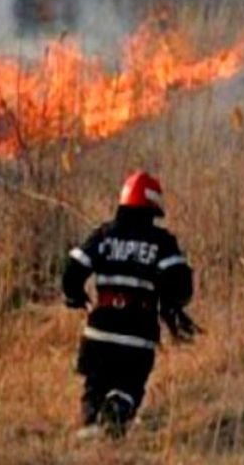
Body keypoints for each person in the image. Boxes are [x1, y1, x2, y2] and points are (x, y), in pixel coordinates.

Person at [62, 171, 199, 439]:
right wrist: (171, 306)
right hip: (137, 334)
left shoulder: (103, 235)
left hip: (99, 332)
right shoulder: (161, 242)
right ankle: (118, 408)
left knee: (94, 387)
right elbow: (181, 285)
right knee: (129, 385)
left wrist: (76, 297)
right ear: (153, 207)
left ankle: (91, 428)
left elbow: (72, 273)